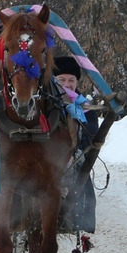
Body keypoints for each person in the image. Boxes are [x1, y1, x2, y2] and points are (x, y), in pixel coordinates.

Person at [53, 55, 98, 233]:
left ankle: (77, 220)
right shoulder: (43, 104)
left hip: (73, 160)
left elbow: (91, 137)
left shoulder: (84, 107)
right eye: (61, 79)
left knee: (80, 177)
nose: (67, 83)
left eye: (71, 80)